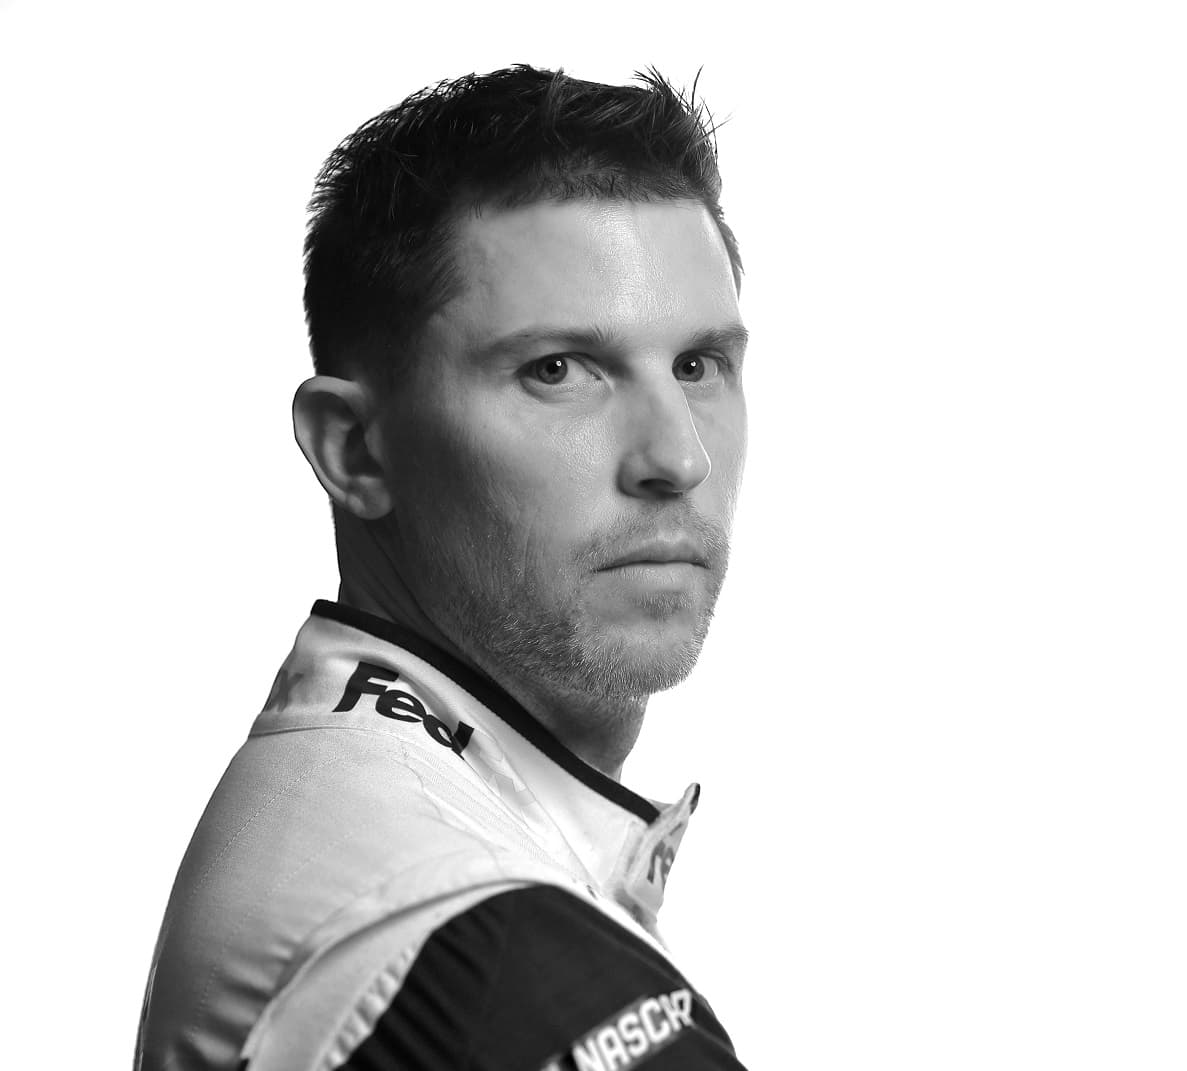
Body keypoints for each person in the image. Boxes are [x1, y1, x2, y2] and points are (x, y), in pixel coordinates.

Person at [136, 65, 750, 1071]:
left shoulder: (349, 796)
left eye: (698, 365)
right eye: (557, 370)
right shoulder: (481, 946)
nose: (678, 458)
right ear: (356, 450)